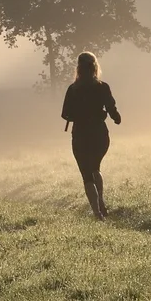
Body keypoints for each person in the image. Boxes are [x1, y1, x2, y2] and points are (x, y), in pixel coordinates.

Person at [61, 52, 121, 220]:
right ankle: (101, 199)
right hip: (99, 134)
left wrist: (79, 114)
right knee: (96, 167)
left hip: (80, 135)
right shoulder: (102, 87)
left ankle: (97, 213)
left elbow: (66, 114)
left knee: (86, 174)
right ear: (95, 66)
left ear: (78, 68)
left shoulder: (73, 89)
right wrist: (116, 118)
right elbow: (111, 108)